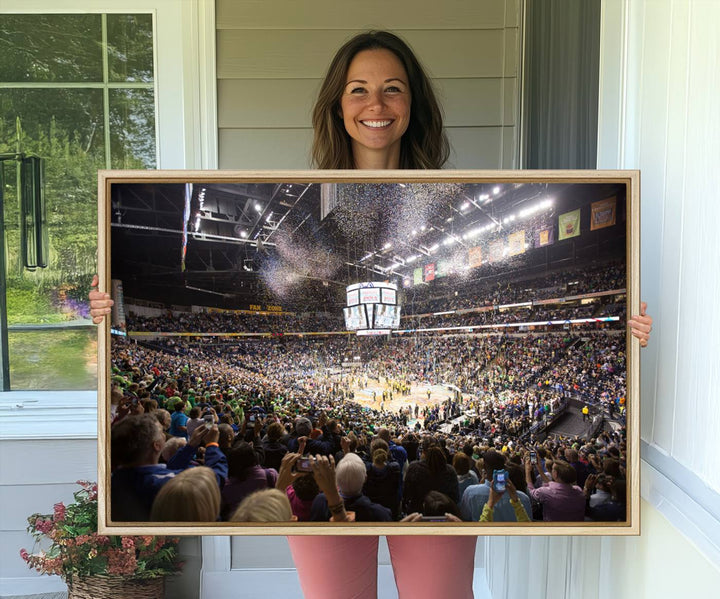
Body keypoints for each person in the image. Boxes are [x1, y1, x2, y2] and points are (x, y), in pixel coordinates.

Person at [91, 29, 654, 599]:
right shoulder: (313, 194)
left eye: (393, 89)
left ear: (414, 105)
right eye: (358, 89)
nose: (376, 104)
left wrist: (628, 335)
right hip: (340, 508)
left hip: (418, 519)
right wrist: (106, 317)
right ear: (338, 105)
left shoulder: (452, 191)